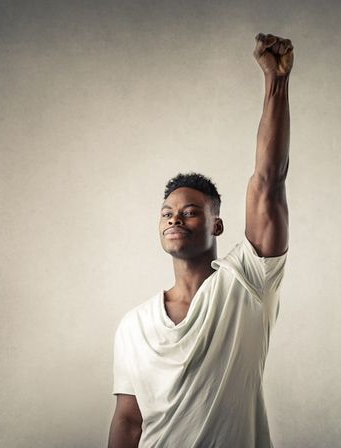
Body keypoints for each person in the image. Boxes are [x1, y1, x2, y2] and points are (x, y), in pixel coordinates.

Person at [108, 33, 294, 448]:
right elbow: (127, 421)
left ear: (216, 225)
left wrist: (276, 84)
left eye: (191, 210)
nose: (175, 217)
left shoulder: (247, 282)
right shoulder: (134, 326)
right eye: (167, 213)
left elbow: (268, 182)